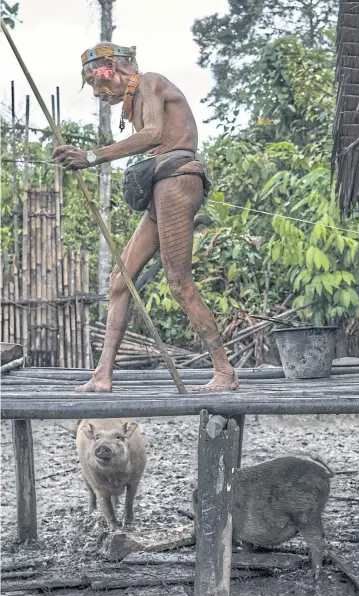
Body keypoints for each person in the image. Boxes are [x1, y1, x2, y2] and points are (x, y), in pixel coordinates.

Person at [53, 43, 238, 393]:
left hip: (176, 180)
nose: (98, 94)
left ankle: (225, 372)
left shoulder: (149, 82)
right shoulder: (134, 99)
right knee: (119, 281)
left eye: (96, 84)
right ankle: (102, 376)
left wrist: (90, 157)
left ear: (109, 68)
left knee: (179, 282)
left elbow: (153, 133)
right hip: (161, 186)